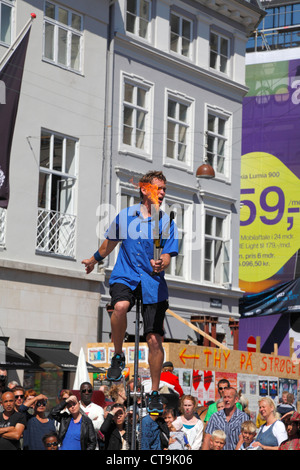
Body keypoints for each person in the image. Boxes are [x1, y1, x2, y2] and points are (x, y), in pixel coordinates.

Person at [82, 170, 178, 414]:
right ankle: (117, 356)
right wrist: (94, 260)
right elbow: (109, 244)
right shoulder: (125, 216)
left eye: (165, 189)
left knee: (154, 340)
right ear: (145, 189)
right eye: (159, 188)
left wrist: (162, 263)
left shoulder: (166, 221)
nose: (163, 193)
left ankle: (154, 392)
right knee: (120, 307)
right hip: (125, 274)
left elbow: (167, 253)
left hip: (153, 282)